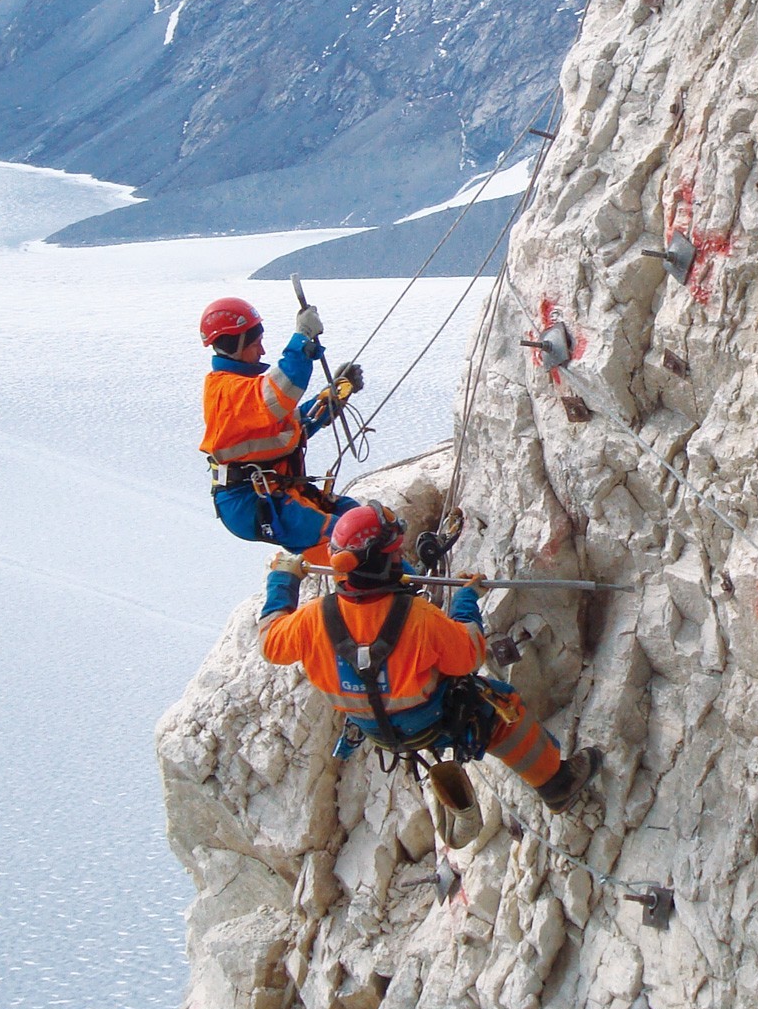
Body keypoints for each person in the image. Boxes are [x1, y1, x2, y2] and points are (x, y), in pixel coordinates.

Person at [258, 501, 601, 811]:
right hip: (432, 720)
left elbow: (271, 642)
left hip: (373, 726)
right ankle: (557, 784)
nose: (398, 557)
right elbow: (469, 656)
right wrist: (468, 599)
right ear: (380, 563)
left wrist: (283, 578)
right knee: (502, 709)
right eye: (394, 554)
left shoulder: (312, 619)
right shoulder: (418, 618)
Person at [199, 296, 362, 560]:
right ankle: (384, 590)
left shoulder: (241, 391)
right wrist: (302, 339)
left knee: (361, 519)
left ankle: (395, 579)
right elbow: (281, 391)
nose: (262, 352)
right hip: (250, 499)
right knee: (351, 538)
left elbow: (288, 426)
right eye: (255, 344)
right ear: (236, 346)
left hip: (268, 490)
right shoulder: (227, 391)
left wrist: (331, 400)